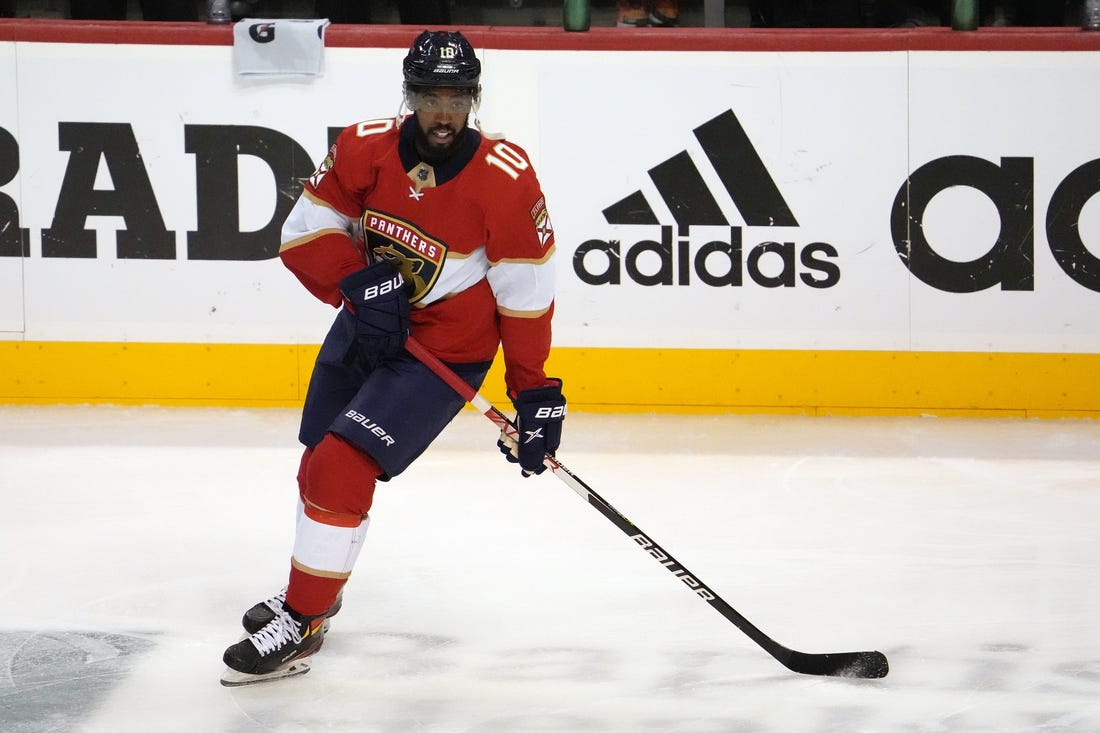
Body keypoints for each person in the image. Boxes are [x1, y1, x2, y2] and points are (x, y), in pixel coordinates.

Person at [220, 29, 565, 685]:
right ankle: (318, 589)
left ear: (474, 98)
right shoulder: (365, 145)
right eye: (430, 96)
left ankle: (303, 618)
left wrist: (535, 394)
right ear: (409, 96)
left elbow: (527, 297)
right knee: (319, 459)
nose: (443, 113)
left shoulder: (506, 181)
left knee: (340, 464)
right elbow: (306, 230)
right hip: (367, 328)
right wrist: (359, 279)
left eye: (456, 97)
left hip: (441, 353)